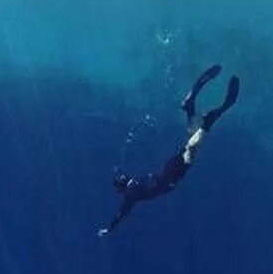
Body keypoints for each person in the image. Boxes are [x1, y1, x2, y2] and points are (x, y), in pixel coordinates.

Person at [98, 66, 239, 236]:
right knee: (190, 140)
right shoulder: (131, 182)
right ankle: (190, 108)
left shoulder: (130, 195)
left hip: (171, 177)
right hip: (167, 170)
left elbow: (121, 213)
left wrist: (110, 229)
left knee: (191, 147)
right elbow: (121, 179)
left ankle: (207, 122)